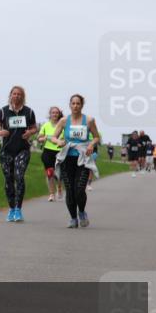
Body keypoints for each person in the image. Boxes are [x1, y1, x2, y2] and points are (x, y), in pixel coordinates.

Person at [51, 94, 101, 229]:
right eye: (73, 103)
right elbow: (53, 137)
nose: (75, 106)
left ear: (82, 105)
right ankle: (73, 218)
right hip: (67, 158)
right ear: (70, 105)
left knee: (79, 190)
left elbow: (96, 137)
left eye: (78, 103)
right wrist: (59, 141)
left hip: (83, 158)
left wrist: (91, 144)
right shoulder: (63, 121)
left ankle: (82, 212)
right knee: (70, 190)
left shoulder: (89, 120)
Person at [0, 87, 38, 222]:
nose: (16, 96)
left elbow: (34, 128)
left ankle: (18, 209)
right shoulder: (3, 111)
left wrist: (30, 132)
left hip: (22, 149)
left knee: (19, 176)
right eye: (14, 94)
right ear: (10, 95)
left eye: (19, 94)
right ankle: (11, 208)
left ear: (23, 97)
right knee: (9, 179)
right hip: (6, 150)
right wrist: (1, 132)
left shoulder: (29, 112)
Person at [37, 106, 64, 202]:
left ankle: (59, 187)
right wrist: (44, 138)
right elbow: (39, 138)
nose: (55, 114)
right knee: (49, 173)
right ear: (50, 114)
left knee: (59, 174)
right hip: (47, 151)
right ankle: (52, 194)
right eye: (53, 112)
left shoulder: (62, 125)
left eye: (57, 112)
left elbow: (66, 138)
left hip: (60, 152)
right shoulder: (45, 125)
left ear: (59, 114)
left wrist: (62, 140)